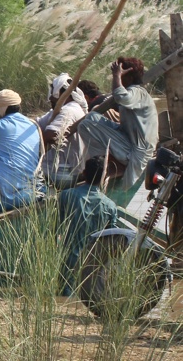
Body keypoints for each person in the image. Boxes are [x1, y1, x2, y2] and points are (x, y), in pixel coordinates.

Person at [73, 58, 158, 191]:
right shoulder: (134, 92)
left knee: (85, 125)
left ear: (129, 76)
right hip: (127, 141)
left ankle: (104, 166)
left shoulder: (138, 92)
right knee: (91, 118)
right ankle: (104, 163)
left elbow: (120, 97)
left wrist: (116, 75)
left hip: (137, 151)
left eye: (121, 75)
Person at [57, 156, 120, 290]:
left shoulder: (66, 195)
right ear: (104, 177)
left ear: (84, 173)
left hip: (69, 263)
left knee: (65, 297)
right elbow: (112, 240)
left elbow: (55, 228)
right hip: (95, 267)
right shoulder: (110, 206)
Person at [37, 73, 89, 187]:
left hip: (64, 171)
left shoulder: (69, 111)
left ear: (63, 93)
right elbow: (37, 124)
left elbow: (50, 136)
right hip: (62, 170)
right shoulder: (60, 110)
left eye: (53, 92)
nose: (50, 97)